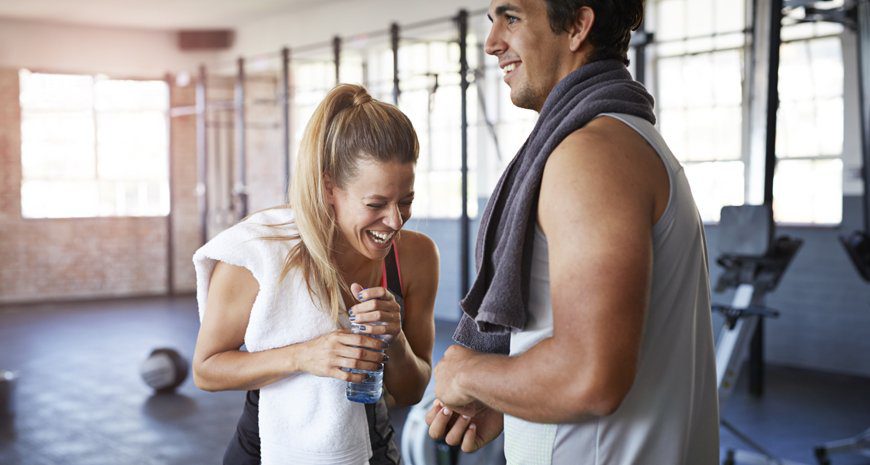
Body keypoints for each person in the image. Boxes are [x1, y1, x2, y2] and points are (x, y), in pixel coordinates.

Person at [426, 1, 720, 464]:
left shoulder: (591, 157)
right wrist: (514, 396)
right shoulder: (622, 139)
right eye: (492, 22)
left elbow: (591, 376)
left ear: (578, 26)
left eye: (513, 18)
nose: (491, 43)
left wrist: (468, 374)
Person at [192, 84, 439, 465]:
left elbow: (411, 391)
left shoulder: (417, 256)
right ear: (329, 188)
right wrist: (302, 356)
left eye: (405, 201)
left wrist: (396, 338)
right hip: (265, 449)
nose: (394, 221)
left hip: (372, 449)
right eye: (376, 204)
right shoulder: (261, 254)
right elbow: (206, 370)